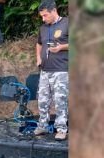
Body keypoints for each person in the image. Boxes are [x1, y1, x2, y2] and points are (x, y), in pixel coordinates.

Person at [34, 0, 69, 140]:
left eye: (46, 15)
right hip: (45, 70)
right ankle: (42, 125)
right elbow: (39, 43)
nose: (43, 19)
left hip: (61, 69)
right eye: (42, 16)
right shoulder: (43, 28)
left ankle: (61, 129)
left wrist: (61, 47)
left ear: (54, 11)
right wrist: (38, 57)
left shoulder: (67, 23)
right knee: (42, 100)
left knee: (60, 100)